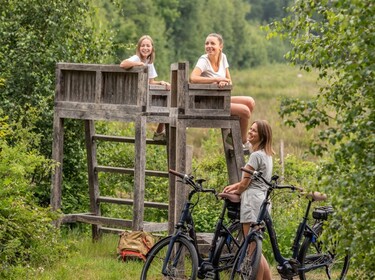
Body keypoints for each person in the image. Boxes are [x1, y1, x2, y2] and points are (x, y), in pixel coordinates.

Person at [223, 120, 274, 280]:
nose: (250, 132)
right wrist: (234, 185)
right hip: (263, 202)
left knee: (252, 250)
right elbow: (252, 179)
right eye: (250, 129)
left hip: (252, 203)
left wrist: (236, 190)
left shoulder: (255, 155)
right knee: (257, 248)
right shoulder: (266, 155)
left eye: (254, 131)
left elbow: (245, 183)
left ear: (262, 136)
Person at [190, 33, 255, 150]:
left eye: (212, 43)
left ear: (221, 46)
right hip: (208, 103)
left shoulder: (223, 57)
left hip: (221, 99)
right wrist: (216, 79)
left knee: (250, 102)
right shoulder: (203, 60)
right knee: (245, 111)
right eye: (207, 43)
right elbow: (193, 78)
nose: (209, 46)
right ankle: (243, 141)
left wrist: (225, 83)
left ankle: (233, 137)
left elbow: (229, 80)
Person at [120, 35, 170, 141]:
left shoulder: (149, 62)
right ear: (139, 48)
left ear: (152, 48)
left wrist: (161, 82)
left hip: (142, 95)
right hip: (134, 97)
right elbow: (123, 64)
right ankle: (159, 133)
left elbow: (151, 82)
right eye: (143, 46)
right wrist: (138, 63)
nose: (145, 48)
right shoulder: (136, 58)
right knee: (166, 106)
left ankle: (159, 132)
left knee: (168, 105)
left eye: (148, 46)